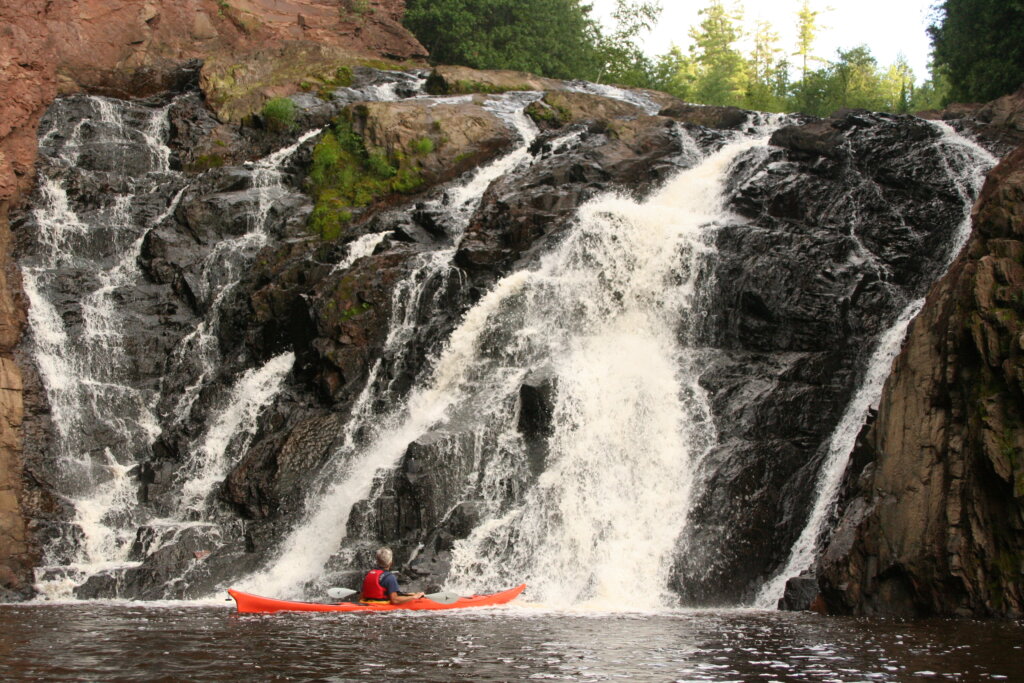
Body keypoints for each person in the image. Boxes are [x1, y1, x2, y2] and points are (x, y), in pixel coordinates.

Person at [359, 547, 424, 604]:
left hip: (367, 604)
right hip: (381, 608)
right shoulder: (389, 577)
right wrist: (414, 597)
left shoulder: (369, 574)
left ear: (377, 561)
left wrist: (409, 595)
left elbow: (361, 597)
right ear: (391, 563)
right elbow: (395, 600)